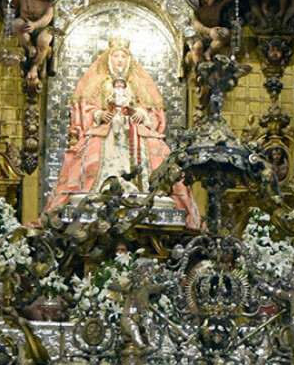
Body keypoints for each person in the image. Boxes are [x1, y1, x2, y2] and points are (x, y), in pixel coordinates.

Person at [45, 38, 200, 226]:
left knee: (157, 155)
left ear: (129, 60)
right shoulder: (100, 83)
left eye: (123, 56)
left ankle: (144, 192)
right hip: (106, 131)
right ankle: (100, 190)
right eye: (116, 56)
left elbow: (150, 111)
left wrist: (138, 112)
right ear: (109, 59)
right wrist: (99, 114)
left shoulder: (137, 85)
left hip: (134, 133)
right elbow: (88, 108)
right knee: (88, 157)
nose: (120, 60)